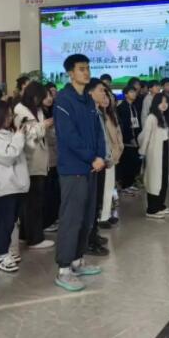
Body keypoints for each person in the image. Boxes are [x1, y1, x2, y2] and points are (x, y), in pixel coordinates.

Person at [53, 54, 106, 292]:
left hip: (91, 167)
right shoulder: (64, 100)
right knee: (72, 218)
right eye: (81, 69)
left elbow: (98, 132)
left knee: (87, 217)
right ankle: (64, 268)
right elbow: (68, 136)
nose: (86, 72)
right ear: (70, 73)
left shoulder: (88, 100)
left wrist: (100, 156)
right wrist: (91, 157)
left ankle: (77, 260)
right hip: (73, 168)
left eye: (88, 68)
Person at [0, 101, 29, 272]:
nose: (10, 118)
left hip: (16, 186)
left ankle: (6, 250)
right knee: (4, 222)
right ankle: (1, 254)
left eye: (11, 115)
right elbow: (9, 156)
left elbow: (22, 151)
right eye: (7, 115)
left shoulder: (10, 133)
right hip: (3, 187)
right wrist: (19, 136)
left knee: (11, 221)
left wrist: (23, 134)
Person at [14, 81, 55, 250]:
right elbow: (27, 134)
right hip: (29, 161)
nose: (44, 100)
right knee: (33, 203)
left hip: (39, 159)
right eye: (41, 97)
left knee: (33, 201)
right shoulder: (20, 110)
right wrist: (44, 125)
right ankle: (35, 239)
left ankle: (26, 234)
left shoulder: (36, 110)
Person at [84, 78, 113, 256]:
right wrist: (97, 158)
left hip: (101, 161)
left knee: (97, 203)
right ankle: (88, 241)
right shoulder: (88, 112)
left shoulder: (98, 111)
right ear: (90, 92)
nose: (104, 94)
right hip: (93, 163)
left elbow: (103, 138)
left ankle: (94, 234)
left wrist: (106, 156)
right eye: (101, 90)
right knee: (91, 205)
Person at [139, 93, 169, 219]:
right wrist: (142, 152)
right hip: (155, 154)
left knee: (163, 179)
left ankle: (160, 205)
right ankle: (152, 209)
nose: (164, 104)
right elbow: (145, 136)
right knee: (154, 180)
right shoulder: (151, 117)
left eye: (166, 102)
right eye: (161, 102)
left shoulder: (164, 117)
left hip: (164, 151)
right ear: (155, 103)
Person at [98, 85, 124, 229]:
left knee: (109, 187)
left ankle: (106, 214)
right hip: (104, 157)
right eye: (103, 96)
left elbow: (117, 134)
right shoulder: (98, 115)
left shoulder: (110, 114)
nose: (106, 99)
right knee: (103, 188)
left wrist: (119, 148)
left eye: (108, 96)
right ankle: (101, 217)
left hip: (113, 155)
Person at [117, 85, 142, 193]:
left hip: (135, 138)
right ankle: (125, 185)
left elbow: (136, 123)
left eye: (135, 92)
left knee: (133, 163)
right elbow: (123, 125)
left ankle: (130, 183)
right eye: (131, 92)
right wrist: (129, 138)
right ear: (126, 94)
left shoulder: (133, 106)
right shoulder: (122, 107)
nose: (134, 94)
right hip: (127, 140)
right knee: (127, 163)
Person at [42, 88, 60, 233]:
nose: (49, 98)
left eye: (50, 95)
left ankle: (53, 218)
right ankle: (47, 221)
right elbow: (48, 137)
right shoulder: (40, 114)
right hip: (46, 158)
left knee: (54, 190)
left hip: (55, 157)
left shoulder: (52, 112)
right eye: (46, 96)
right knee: (48, 191)